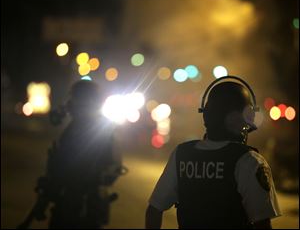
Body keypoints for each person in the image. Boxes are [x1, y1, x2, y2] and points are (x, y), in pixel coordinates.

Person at [145, 76, 281, 229]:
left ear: (206, 115)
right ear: (238, 118)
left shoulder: (182, 154)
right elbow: (262, 223)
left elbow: (154, 210)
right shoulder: (250, 161)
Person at [36, 80, 123, 229]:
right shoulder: (87, 127)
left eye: (75, 98)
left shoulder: (91, 129)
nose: (71, 103)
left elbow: (60, 168)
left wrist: (45, 200)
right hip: (77, 204)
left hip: (81, 205)